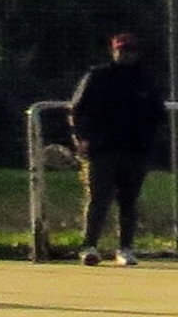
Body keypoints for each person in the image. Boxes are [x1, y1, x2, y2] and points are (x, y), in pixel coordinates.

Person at [69, 30, 165, 266]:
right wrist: (81, 138)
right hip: (102, 149)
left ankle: (125, 248)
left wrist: (148, 144)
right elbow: (77, 110)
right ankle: (89, 246)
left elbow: (157, 115)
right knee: (98, 199)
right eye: (122, 50)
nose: (126, 54)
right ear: (113, 50)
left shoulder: (145, 81)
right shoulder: (97, 76)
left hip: (135, 151)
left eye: (130, 50)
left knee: (129, 201)